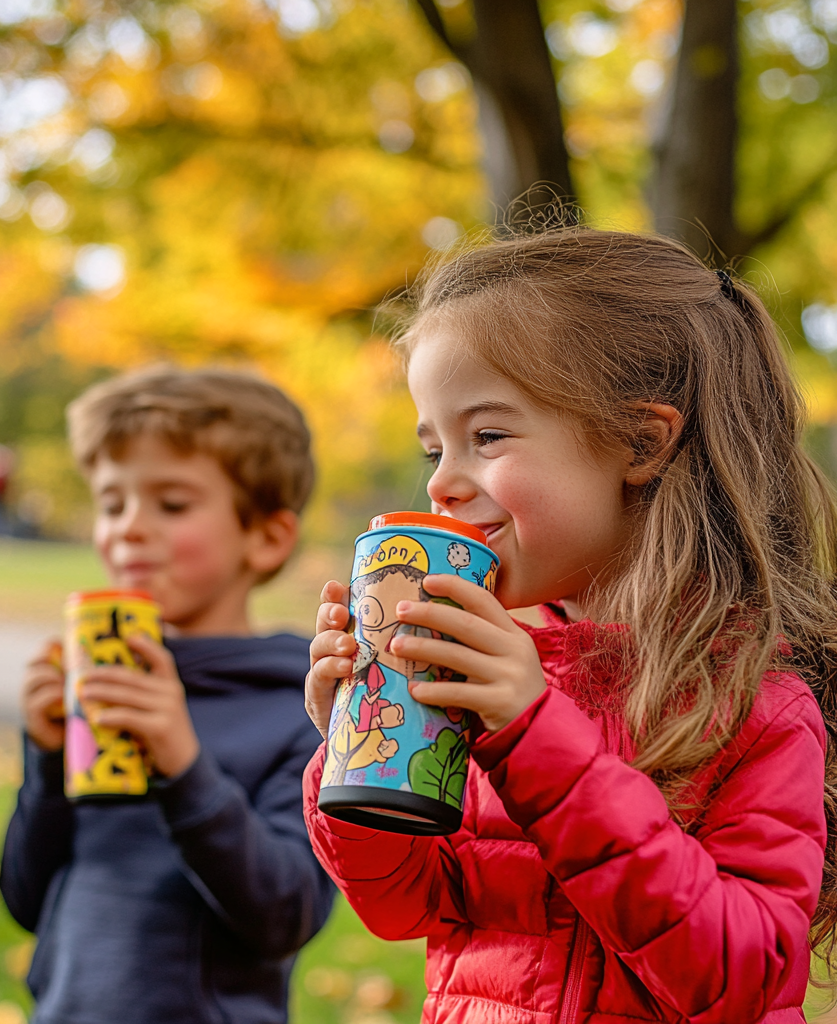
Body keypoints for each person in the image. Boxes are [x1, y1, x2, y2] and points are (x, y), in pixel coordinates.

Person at [304, 228, 837, 1024]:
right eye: (434, 448)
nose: (445, 482)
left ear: (639, 441)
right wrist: (355, 743)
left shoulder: (753, 701)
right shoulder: (490, 673)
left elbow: (741, 979)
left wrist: (537, 739)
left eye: (486, 437)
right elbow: (405, 907)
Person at [0, 367, 334, 1024]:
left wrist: (184, 767)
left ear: (266, 538)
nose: (128, 528)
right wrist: (44, 759)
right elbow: (26, 899)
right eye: (111, 502)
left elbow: (285, 914)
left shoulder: (298, 708)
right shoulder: (96, 686)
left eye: (171, 504)